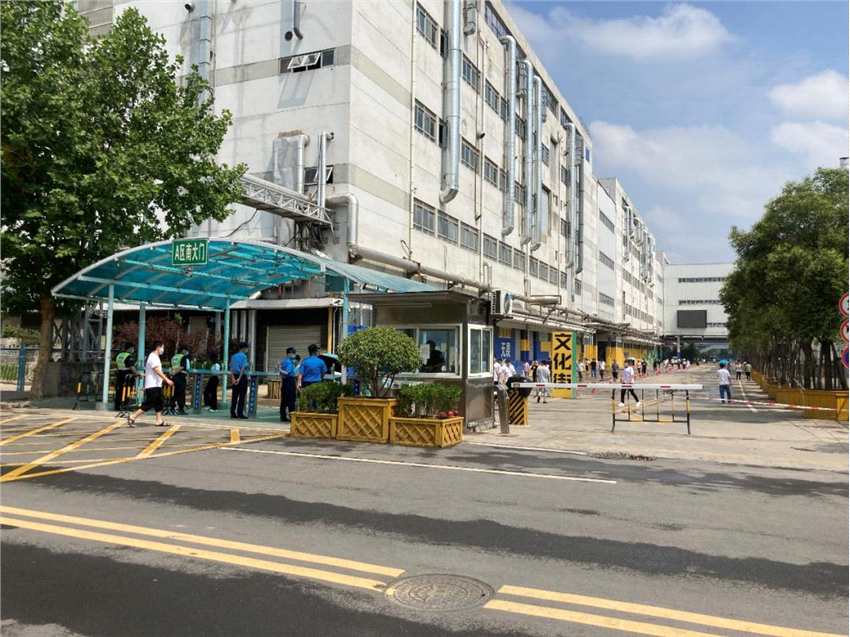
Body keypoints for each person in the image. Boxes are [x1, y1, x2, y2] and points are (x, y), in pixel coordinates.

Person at [127, 341, 173, 427]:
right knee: (149, 403)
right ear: (158, 347)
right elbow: (156, 370)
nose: (163, 349)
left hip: (156, 385)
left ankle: (159, 420)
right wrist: (166, 379)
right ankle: (132, 416)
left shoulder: (155, 357)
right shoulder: (153, 357)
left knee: (159, 402)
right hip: (152, 385)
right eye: (162, 347)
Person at [114, 343, 138, 412]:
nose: (133, 350)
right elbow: (131, 367)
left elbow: (116, 365)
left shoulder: (119, 355)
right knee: (127, 391)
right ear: (129, 348)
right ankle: (125, 406)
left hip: (120, 375)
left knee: (119, 391)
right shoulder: (129, 356)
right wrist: (137, 374)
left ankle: (118, 406)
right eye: (133, 348)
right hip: (128, 376)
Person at [229, 342, 250, 419]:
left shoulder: (233, 356)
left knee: (234, 395)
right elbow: (243, 368)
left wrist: (233, 378)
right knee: (242, 396)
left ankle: (232, 412)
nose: (247, 350)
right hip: (242, 377)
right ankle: (240, 413)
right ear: (244, 348)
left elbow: (231, 368)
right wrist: (239, 378)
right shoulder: (244, 356)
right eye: (247, 348)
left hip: (234, 376)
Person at [170, 346, 191, 415]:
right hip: (180, 376)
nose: (187, 352)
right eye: (186, 350)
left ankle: (172, 408)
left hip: (174, 377)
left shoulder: (174, 357)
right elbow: (182, 367)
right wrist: (175, 372)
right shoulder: (183, 357)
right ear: (183, 350)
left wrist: (172, 373)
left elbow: (172, 366)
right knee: (181, 394)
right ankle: (181, 409)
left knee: (174, 393)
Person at [279, 347, 297, 422]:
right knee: (291, 400)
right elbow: (287, 372)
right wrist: (279, 369)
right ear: (289, 353)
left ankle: (283, 416)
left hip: (285, 381)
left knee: (284, 400)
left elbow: (282, 374)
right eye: (293, 353)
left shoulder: (284, 361)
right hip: (290, 381)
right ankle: (291, 417)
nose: (294, 354)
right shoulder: (289, 362)